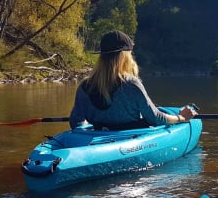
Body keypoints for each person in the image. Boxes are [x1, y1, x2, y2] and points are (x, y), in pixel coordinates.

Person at [69, 30, 197, 130]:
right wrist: (180, 118)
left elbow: (76, 122)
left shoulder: (85, 86)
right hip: (130, 141)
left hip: (99, 139)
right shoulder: (131, 84)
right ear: (124, 56)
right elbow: (156, 118)